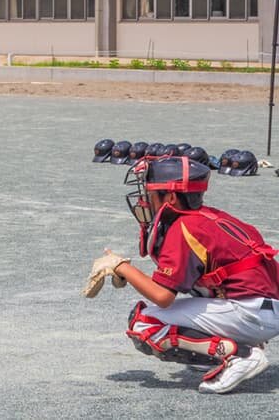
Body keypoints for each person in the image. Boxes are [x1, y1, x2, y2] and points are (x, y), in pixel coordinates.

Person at [83, 155, 279, 394]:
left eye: (151, 193)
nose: (145, 200)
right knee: (184, 296)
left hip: (251, 313)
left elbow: (162, 296)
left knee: (144, 322)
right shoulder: (204, 217)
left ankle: (241, 354)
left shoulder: (182, 228)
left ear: (172, 197)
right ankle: (231, 345)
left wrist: (120, 265)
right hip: (260, 308)